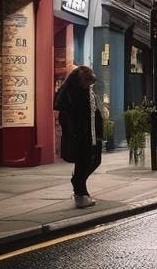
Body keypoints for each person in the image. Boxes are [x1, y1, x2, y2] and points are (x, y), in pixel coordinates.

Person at [53, 65, 103, 209]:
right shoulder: (71, 93)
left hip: (92, 133)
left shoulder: (87, 91)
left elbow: (94, 111)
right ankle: (80, 193)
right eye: (88, 83)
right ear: (81, 81)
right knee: (83, 163)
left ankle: (78, 184)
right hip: (81, 135)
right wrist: (74, 133)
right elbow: (65, 115)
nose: (90, 86)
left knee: (95, 161)